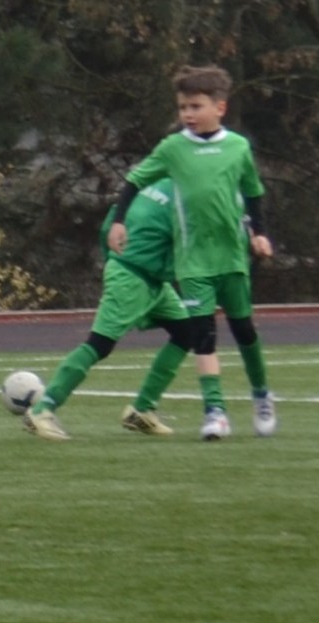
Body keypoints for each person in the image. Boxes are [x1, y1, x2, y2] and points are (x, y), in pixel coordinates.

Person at [108, 64, 275, 441]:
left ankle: (262, 396)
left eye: (196, 106)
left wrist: (260, 233)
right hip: (193, 262)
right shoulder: (173, 148)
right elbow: (134, 180)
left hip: (231, 258)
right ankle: (215, 412)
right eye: (183, 107)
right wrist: (119, 222)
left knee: (244, 330)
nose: (188, 114)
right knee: (203, 335)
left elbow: (253, 192)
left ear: (220, 108)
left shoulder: (238, 147)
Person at [23, 179, 196, 440]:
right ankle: (42, 409)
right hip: (132, 276)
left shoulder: (157, 184)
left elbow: (111, 223)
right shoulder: (190, 196)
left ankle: (142, 410)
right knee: (100, 344)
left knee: (186, 333)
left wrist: (112, 259)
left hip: (151, 280)